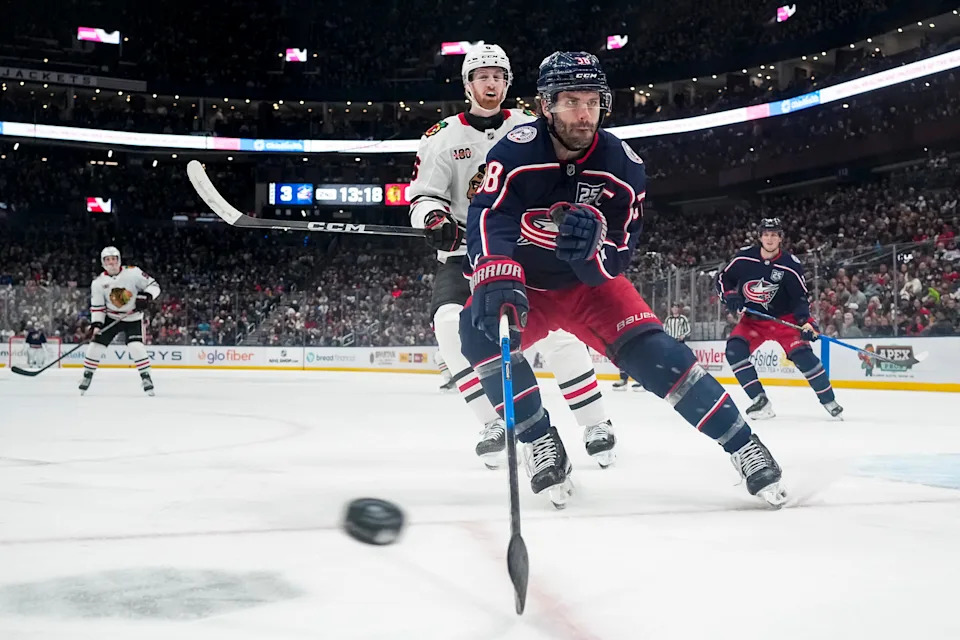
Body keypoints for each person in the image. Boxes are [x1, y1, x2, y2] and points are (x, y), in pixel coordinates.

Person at [459, 51, 785, 508]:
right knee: (476, 333)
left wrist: (593, 258)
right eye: (571, 101)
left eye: (592, 101)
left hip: (589, 288)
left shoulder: (624, 166)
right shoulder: (513, 150)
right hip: (529, 286)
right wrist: (496, 270)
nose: (583, 113)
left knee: (659, 357)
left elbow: (620, 255)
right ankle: (539, 440)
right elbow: (490, 212)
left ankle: (744, 445)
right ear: (545, 105)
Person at [409, 44, 616, 469]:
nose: (491, 83)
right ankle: (494, 421)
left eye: (499, 76)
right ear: (468, 84)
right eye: (482, 76)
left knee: (556, 331)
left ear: (508, 83)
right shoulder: (442, 136)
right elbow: (423, 196)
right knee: (450, 324)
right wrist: (435, 219)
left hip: (518, 247)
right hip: (463, 252)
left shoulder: (529, 127)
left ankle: (595, 421)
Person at [717, 218, 843, 420]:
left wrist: (806, 321)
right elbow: (724, 277)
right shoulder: (744, 258)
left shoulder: (790, 265)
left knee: (804, 357)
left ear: (780, 238)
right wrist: (730, 295)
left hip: (784, 320)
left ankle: (829, 400)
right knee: (734, 351)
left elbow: (800, 298)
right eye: (766, 234)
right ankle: (760, 400)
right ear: (760, 237)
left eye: (774, 234)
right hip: (752, 320)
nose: (769, 238)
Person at [80, 246, 161, 396]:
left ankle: (146, 378)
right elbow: (97, 306)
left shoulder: (133, 272)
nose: (111, 263)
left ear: (119, 260)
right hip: (111, 318)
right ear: (103, 263)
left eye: (114, 259)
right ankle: (87, 375)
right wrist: (97, 324)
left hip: (133, 317)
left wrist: (147, 296)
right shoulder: (98, 283)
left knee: (136, 347)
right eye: (108, 260)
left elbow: (154, 286)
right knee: (95, 347)